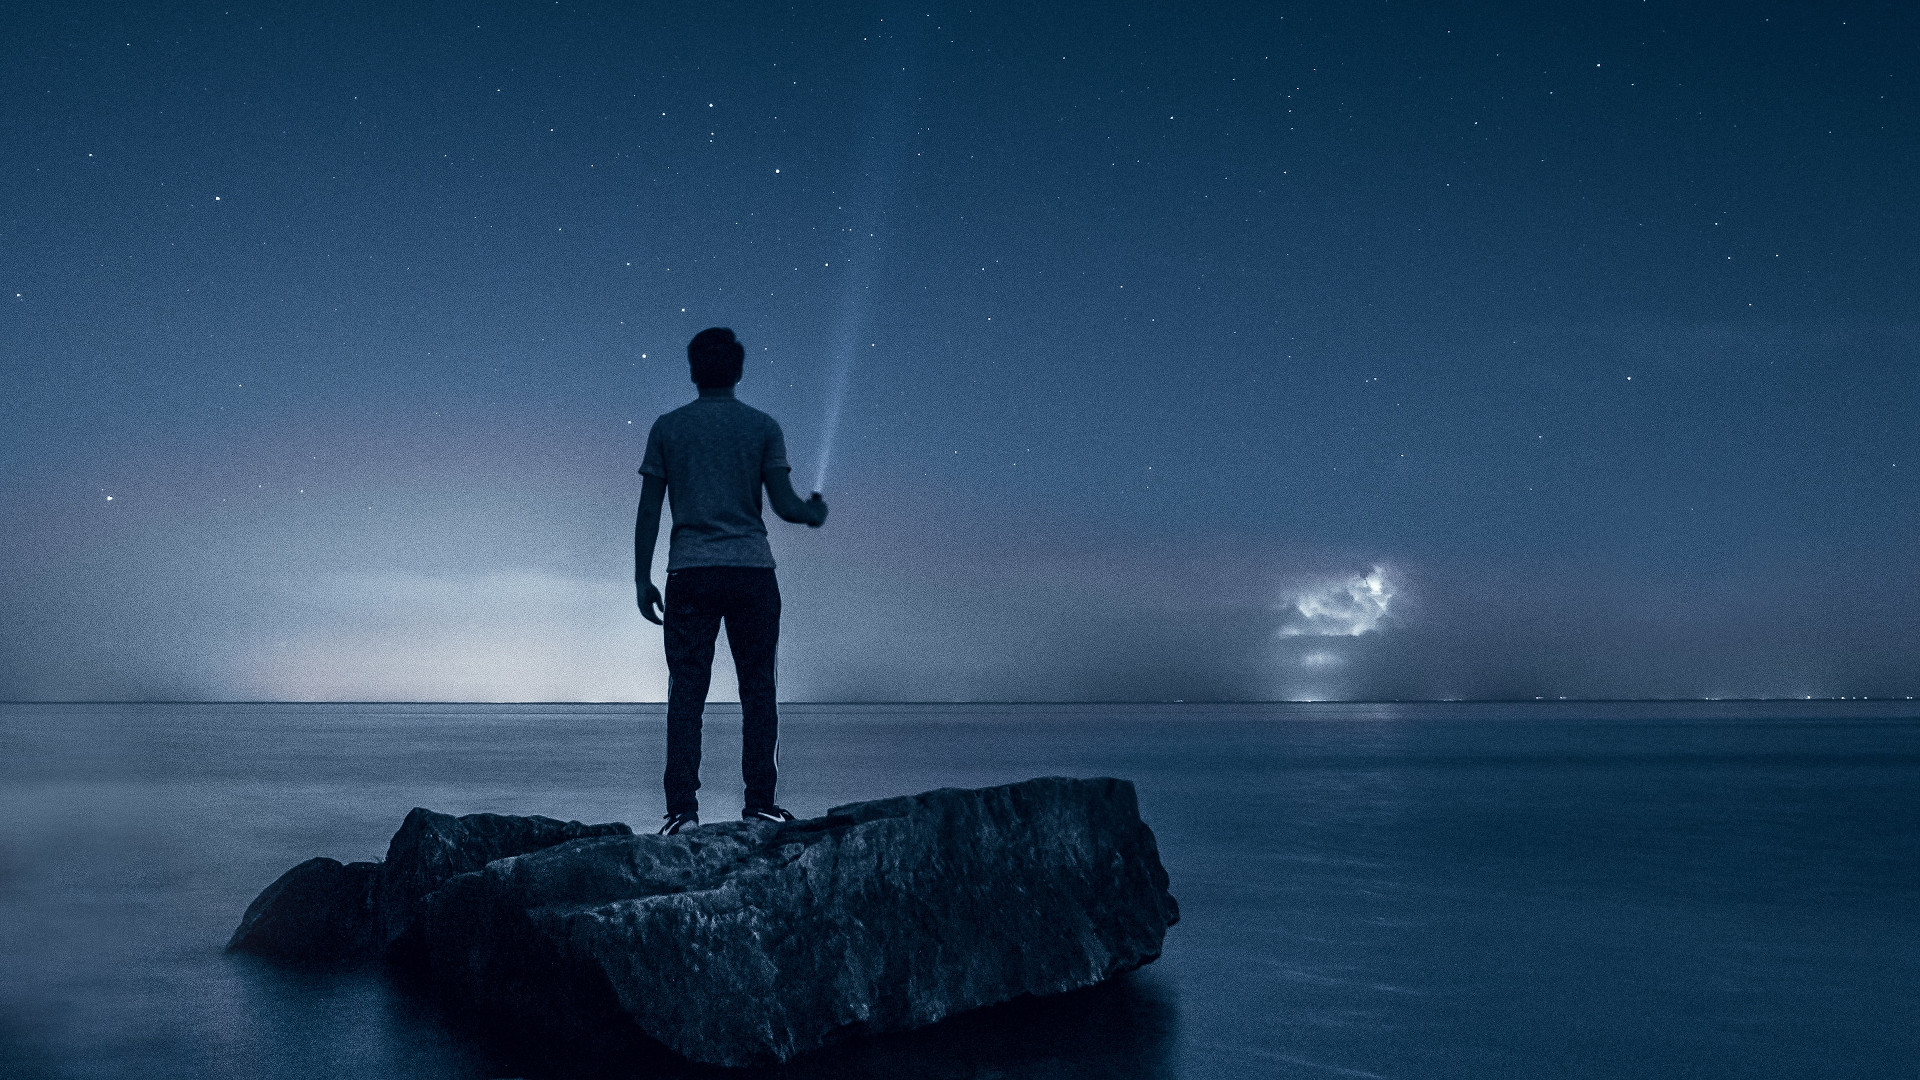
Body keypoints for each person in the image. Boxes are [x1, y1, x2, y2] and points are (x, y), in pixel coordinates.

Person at [635, 327, 827, 835]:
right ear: (738, 371)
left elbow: (650, 508)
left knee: (687, 692)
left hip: (690, 572)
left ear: (693, 371)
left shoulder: (668, 428)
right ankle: (759, 803)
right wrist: (812, 513)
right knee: (759, 688)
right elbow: (785, 506)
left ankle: (681, 811)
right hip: (751, 573)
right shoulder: (761, 427)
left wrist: (641, 577)